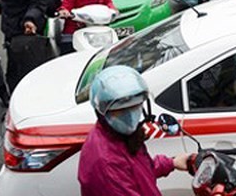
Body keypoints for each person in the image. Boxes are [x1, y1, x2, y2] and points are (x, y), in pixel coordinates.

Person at [79, 66, 190, 195]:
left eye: (135, 106)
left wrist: (172, 163)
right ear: (103, 112)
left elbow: (139, 170)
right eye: (120, 111)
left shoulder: (119, 137)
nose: (130, 116)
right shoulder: (108, 162)